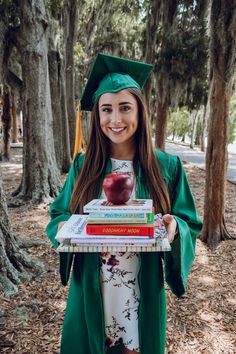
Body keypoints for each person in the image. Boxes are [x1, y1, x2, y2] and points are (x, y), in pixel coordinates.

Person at [46, 53, 202, 354]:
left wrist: (174, 228)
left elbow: (189, 222)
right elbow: (58, 214)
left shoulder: (166, 166)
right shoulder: (84, 166)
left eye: (124, 108)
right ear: (98, 115)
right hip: (92, 287)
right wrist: (63, 227)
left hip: (141, 289)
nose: (115, 119)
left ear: (140, 112)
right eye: (106, 109)